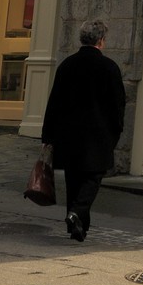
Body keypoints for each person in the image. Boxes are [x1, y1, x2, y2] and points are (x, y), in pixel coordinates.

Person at [41, 19, 126, 242]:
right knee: (92, 177)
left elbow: (54, 102)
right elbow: (117, 104)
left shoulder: (67, 65)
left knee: (74, 178)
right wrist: (117, 129)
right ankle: (77, 213)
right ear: (101, 40)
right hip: (97, 133)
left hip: (69, 133)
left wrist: (48, 135)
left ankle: (77, 227)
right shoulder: (109, 68)